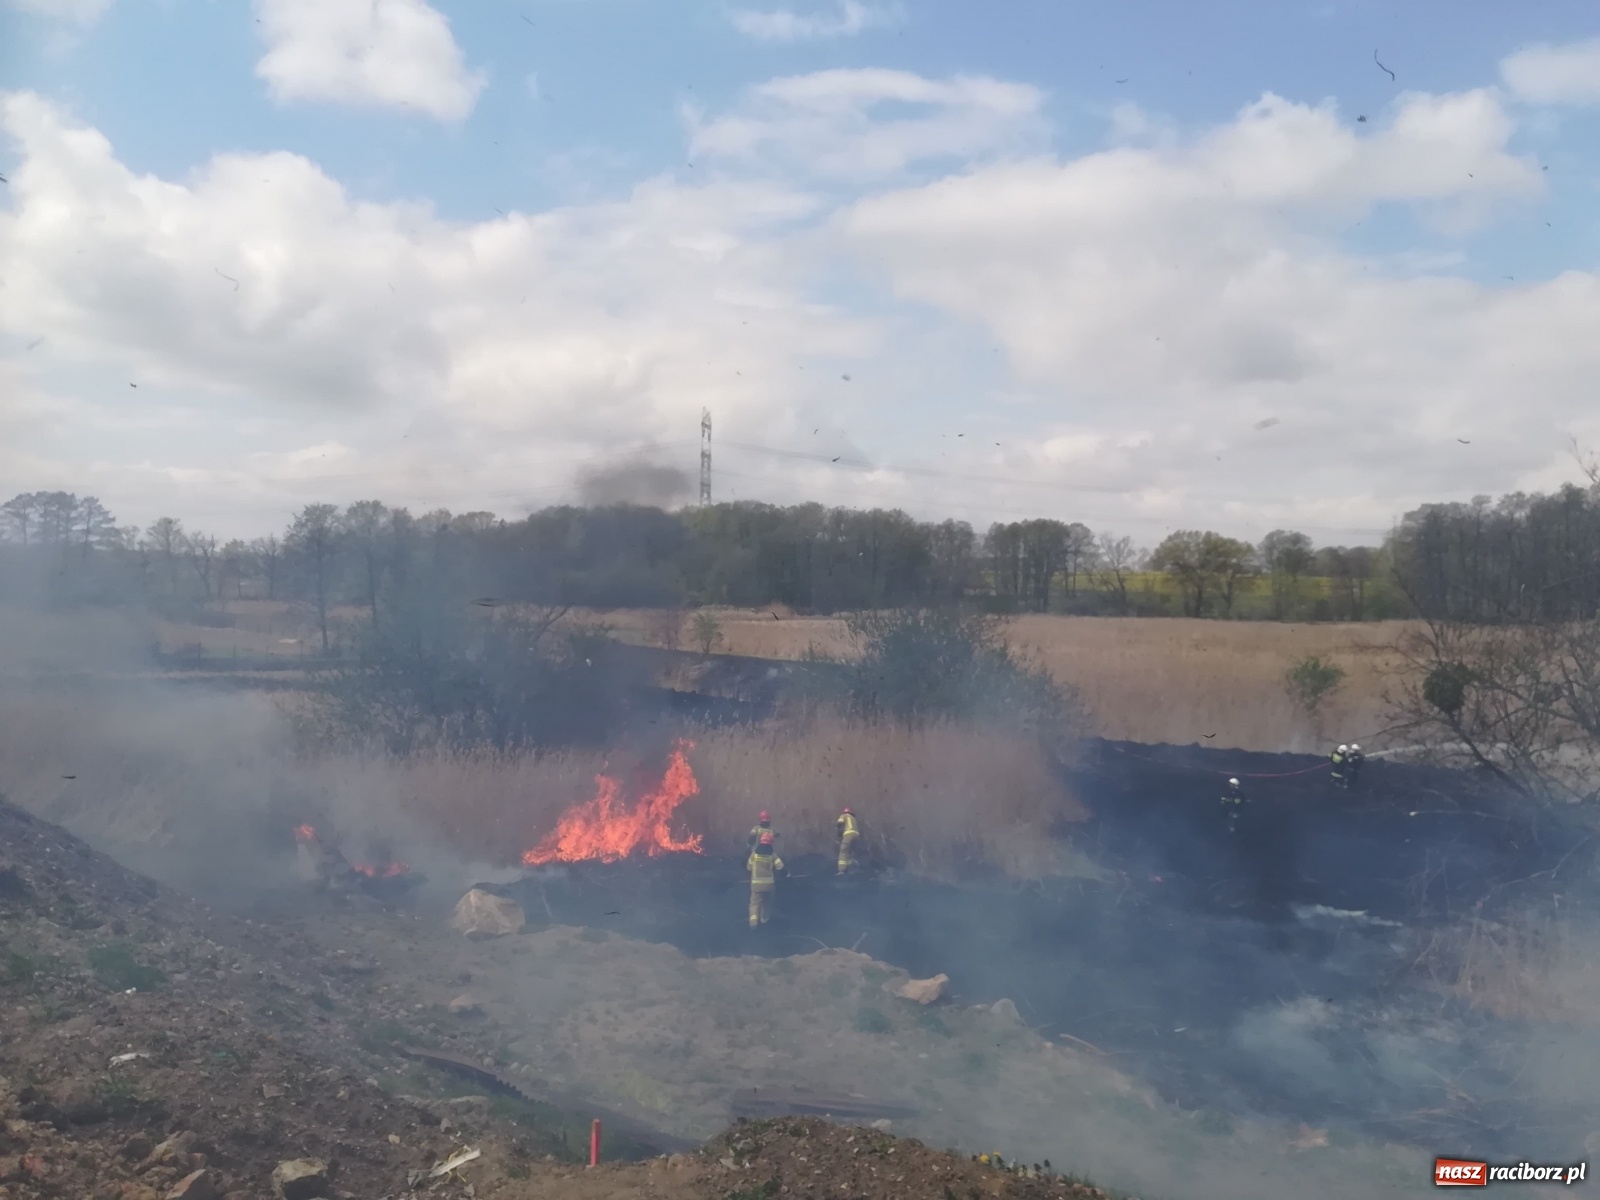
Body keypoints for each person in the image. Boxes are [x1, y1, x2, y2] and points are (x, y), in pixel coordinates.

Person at [746, 831, 784, 928]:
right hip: (769, 885)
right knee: (767, 903)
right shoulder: (772, 855)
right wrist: (788, 876)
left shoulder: (754, 855)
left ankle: (753, 922)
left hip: (756, 885)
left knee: (754, 903)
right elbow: (780, 867)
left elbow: (748, 868)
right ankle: (765, 920)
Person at [835, 807, 860, 875]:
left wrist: (838, 832)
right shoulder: (853, 818)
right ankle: (852, 867)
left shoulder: (844, 816)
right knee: (851, 851)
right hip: (856, 835)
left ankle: (841, 870)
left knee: (843, 850)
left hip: (848, 834)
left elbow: (839, 823)